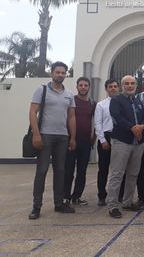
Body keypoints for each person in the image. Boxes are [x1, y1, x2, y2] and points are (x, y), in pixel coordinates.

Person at [28, 61, 76, 220]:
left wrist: (72, 137)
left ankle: (59, 203)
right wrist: (36, 134)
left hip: (62, 137)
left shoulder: (69, 94)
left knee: (60, 171)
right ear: (52, 73)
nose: (60, 75)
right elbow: (33, 112)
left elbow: (71, 116)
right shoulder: (41, 90)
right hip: (45, 136)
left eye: (63, 73)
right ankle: (36, 206)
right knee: (41, 171)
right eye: (58, 72)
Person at [107, 75, 144, 218]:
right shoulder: (116, 100)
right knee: (117, 174)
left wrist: (142, 126)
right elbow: (117, 117)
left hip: (138, 143)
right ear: (122, 85)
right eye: (127, 83)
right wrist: (132, 128)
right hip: (122, 142)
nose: (130, 86)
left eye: (132, 83)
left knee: (133, 174)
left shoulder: (137, 101)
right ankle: (112, 205)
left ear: (136, 85)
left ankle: (128, 202)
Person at [64, 77, 96, 206]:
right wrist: (69, 138)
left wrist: (93, 138)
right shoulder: (71, 101)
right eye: (81, 85)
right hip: (71, 141)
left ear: (89, 87)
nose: (83, 87)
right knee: (68, 170)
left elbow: (96, 121)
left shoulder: (92, 104)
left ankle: (76, 197)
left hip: (86, 142)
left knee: (82, 171)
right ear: (77, 87)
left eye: (86, 85)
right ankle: (65, 197)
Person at [94, 79, 124, 206]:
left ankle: (119, 195)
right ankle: (102, 195)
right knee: (104, 169)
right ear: (106, 89)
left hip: (121, 138)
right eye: (110, 87)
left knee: (120, 169)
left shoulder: (123, 104)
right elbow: (98, 124)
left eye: (115, 86)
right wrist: (102, 140)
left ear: (119, 88)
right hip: (106, 137)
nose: (113, 88)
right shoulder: (101, 105)